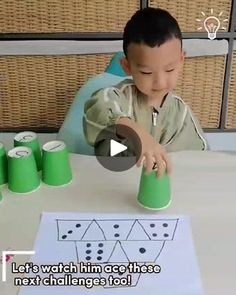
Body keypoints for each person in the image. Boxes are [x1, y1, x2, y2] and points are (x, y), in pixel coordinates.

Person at [83, 7, 207, 177]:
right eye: (147, 73)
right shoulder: (120, 96)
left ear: (181, 60)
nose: (160, 82)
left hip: (160, 183)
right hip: (118, 180)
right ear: (127, 67)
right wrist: (136, 133)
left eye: (170, 69)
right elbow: (99, 107)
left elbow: (199, 155)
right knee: (108, 142)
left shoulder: (181, 113)